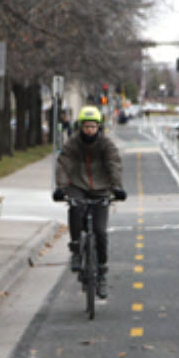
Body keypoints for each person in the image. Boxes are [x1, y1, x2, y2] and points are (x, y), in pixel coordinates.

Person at [53, 105, 126, 299]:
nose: (89, 130)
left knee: (101, 232)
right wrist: (61, 187)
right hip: (78, 185)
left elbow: (114, 164)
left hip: (101, 189)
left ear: (99, 127)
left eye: (93, 127)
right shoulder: (73, 144)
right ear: (80, 127)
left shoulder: (106, 144)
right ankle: (76, 249)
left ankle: (101, 274)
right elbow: (63, 163)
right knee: (75, 208)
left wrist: (117, 187)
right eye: (86, 127)